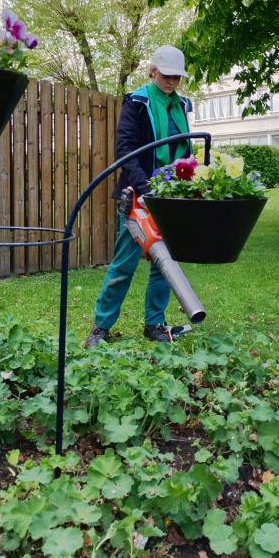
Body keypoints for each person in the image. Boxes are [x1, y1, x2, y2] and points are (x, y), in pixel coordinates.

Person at [85, 45, 193, 347]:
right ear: (152, 71)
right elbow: (125, 150)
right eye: (167, 75)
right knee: (125, 263)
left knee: (165, 264)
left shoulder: (182, 105)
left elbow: (184, 150)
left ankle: (155, 324)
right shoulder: (137, 103)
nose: (172, 81)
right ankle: (100, 328)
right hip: (139, 197)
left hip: (172, 197)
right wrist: (145, 188)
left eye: (177, 77)